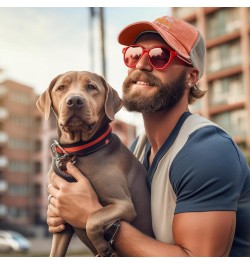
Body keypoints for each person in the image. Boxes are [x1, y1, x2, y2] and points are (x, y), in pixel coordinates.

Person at [47, 15, 250, 257]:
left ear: (191, 76)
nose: (141, 64)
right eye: (134, 54)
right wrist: (67, 211)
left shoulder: (207, 151)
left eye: (159, 56)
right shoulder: (136, 149)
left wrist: (93, 215)